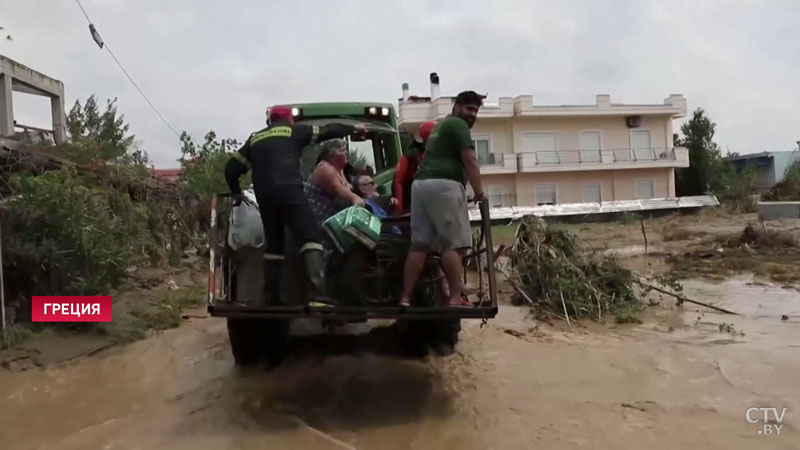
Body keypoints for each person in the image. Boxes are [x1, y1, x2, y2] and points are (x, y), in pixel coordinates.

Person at [224, 106, 366, 306]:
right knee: (311, 237)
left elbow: (231, 169)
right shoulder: (295, 131)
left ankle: (272, 297)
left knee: (274, 245)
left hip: (265, 196)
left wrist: (237, 193)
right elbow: (328, 131)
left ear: (269, 121)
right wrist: (353, 128)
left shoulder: (255, 139)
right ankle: (317, 295)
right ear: (290, 120)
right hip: (290, 190)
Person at [399, 91, 485, 308]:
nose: (472, 114)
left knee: (419, 244)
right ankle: (456, 296)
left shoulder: (441, 126)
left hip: (420, 186)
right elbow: (470, 159)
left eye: (475, 110)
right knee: (453, 243)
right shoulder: (458, 125)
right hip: (444, 185)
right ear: (456, 107)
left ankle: (405, 297)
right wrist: (479, 192)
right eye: (469, 108)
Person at [393, 120, 437, 213]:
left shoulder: (438, 156)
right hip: (412, 203)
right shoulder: (411, 156)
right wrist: (400, 208)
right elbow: (398, 182)